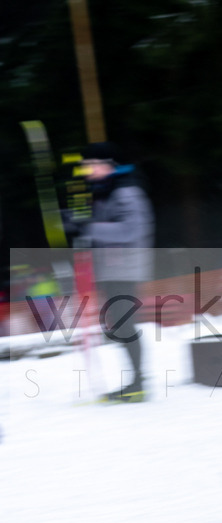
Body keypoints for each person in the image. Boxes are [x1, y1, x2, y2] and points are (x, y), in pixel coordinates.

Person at [64, 141, 155, 402]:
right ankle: (137, 382)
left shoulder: (126, 191)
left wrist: (88, 229)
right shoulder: (106, 190)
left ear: (109, 165)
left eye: (91, 165)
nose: (87, 170)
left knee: (124, 325)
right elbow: (95, 222)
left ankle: (138, 384)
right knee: (118, 324)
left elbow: (131, 230)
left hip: (125, 268)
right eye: (84, 166)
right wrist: (71, 219)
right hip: (112, 268)